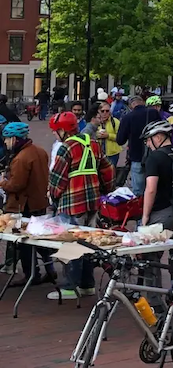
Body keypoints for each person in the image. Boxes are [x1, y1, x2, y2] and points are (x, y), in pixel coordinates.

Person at [48, 113, 115, 299]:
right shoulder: (92, 143)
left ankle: (71, 286)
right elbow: (107, 168)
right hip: (92, 201)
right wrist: (105, 189)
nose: (55, 135)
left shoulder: (66, 147)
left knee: (71, 243)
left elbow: (57, 178)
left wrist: (53, 196)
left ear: (63, 130)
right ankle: (87, 284)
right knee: (87, 241)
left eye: (56, 131)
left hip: (72, 201)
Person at [0, 122, 56, 287]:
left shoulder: (21, 158)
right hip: (39, 201)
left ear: (15, 139)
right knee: (39, 238)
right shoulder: (39, 151)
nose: (5, 142)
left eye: (7, 139)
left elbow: (16, 185)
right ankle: (49, 268)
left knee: (23, 242)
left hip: (24, 204)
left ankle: (31, 274)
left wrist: (3, 182)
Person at [141, 119, 173, 280]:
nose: (148, 144)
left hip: (163, 214)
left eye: (148, 140)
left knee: (150, 257)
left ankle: (154, 302)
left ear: (158, 137)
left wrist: (145, 216)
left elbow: (151, 189)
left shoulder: (155, 158)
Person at [116, 95, 162, 196]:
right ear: (143, 102)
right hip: (155, 154)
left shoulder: (127, 117)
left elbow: (120, 140)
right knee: (156, 184)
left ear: (131, 106)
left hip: (137, 156)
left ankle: (141, 207)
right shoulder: (153, 112)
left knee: (138, 190)